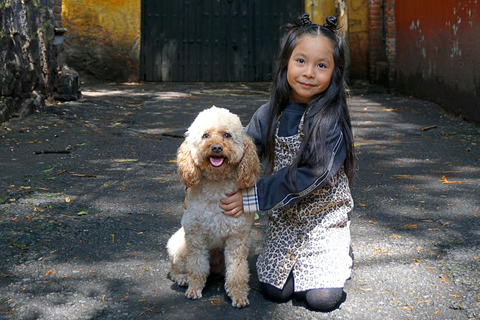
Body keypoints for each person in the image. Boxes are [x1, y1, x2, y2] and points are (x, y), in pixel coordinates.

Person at [220, 13, 355, 311]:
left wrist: (253, 198)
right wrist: (199, 190)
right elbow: (239, 151)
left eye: (321, 65)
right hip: (286, 219)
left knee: (322, 300)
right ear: (286, 63)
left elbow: (313, 174)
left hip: (324, 218)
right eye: (301, 61)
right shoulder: (269, 113)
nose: (309, 73)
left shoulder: (332, 119)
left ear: (335, 72)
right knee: (274, 291)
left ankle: (341, 250)